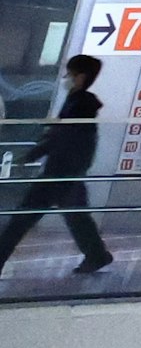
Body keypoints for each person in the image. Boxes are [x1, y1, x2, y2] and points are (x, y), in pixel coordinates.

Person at [0, 53, 112, 277]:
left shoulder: (80, 105)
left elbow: (60, 137)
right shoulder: (78, 102)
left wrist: (33, 154)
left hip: (60, 172)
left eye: (69, 74)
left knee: (22, 218)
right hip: (67, 171)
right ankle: (97, 254)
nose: (66, 78)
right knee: (76, 217)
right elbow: (61, 136)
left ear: (80, 77)